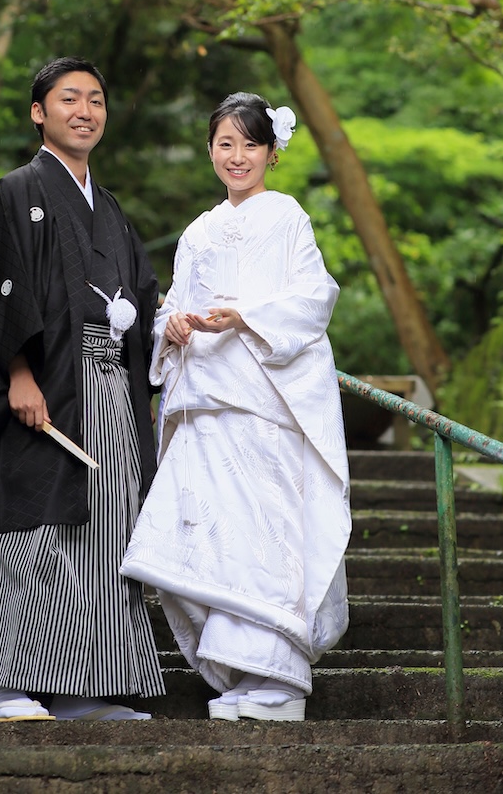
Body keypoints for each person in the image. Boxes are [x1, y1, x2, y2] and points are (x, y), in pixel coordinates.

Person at [120, 91, 350, 722]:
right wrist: (171, 328)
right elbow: (173, 302)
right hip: (204, 402)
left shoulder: (287, 216)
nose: (238, 156)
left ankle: (275, 679)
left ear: (273, 153)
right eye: (226, 143)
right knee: (205, 534)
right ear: (210, 151)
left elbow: (313, 297)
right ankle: (236, 673)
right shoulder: (198, 229)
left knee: (260, 532)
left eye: (251, 143)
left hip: (261, 402)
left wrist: (245, 316)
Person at [0, 57, 164, 721]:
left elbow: (144, 298)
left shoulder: (109, 208)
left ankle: (84, 688)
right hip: (47, 385)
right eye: (69, 99)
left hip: (110, 386)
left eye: (96, 100)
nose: (85, 111)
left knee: (104, 532)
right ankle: (10, 685)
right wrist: (16, 374)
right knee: (35, 525)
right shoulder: (17, 191)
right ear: (38, 112)